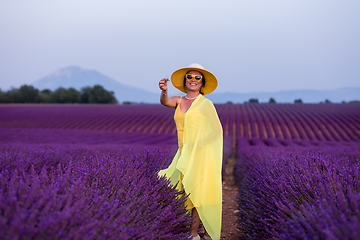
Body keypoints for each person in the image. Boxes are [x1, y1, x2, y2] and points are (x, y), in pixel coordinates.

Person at [158, 63, 223, 240]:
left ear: (202, 84)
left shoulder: (206, 104)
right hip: (183, 153)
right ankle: (183, 229)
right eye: (189, 76)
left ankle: (193, 235)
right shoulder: (179, 101)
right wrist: (164, 90)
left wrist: (201, 145)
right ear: (185, 81)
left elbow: (217, 131)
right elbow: (165, 101)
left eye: (197, 77)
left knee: (195, 192)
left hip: (200, 154)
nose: (193, 80)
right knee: (174, 186)